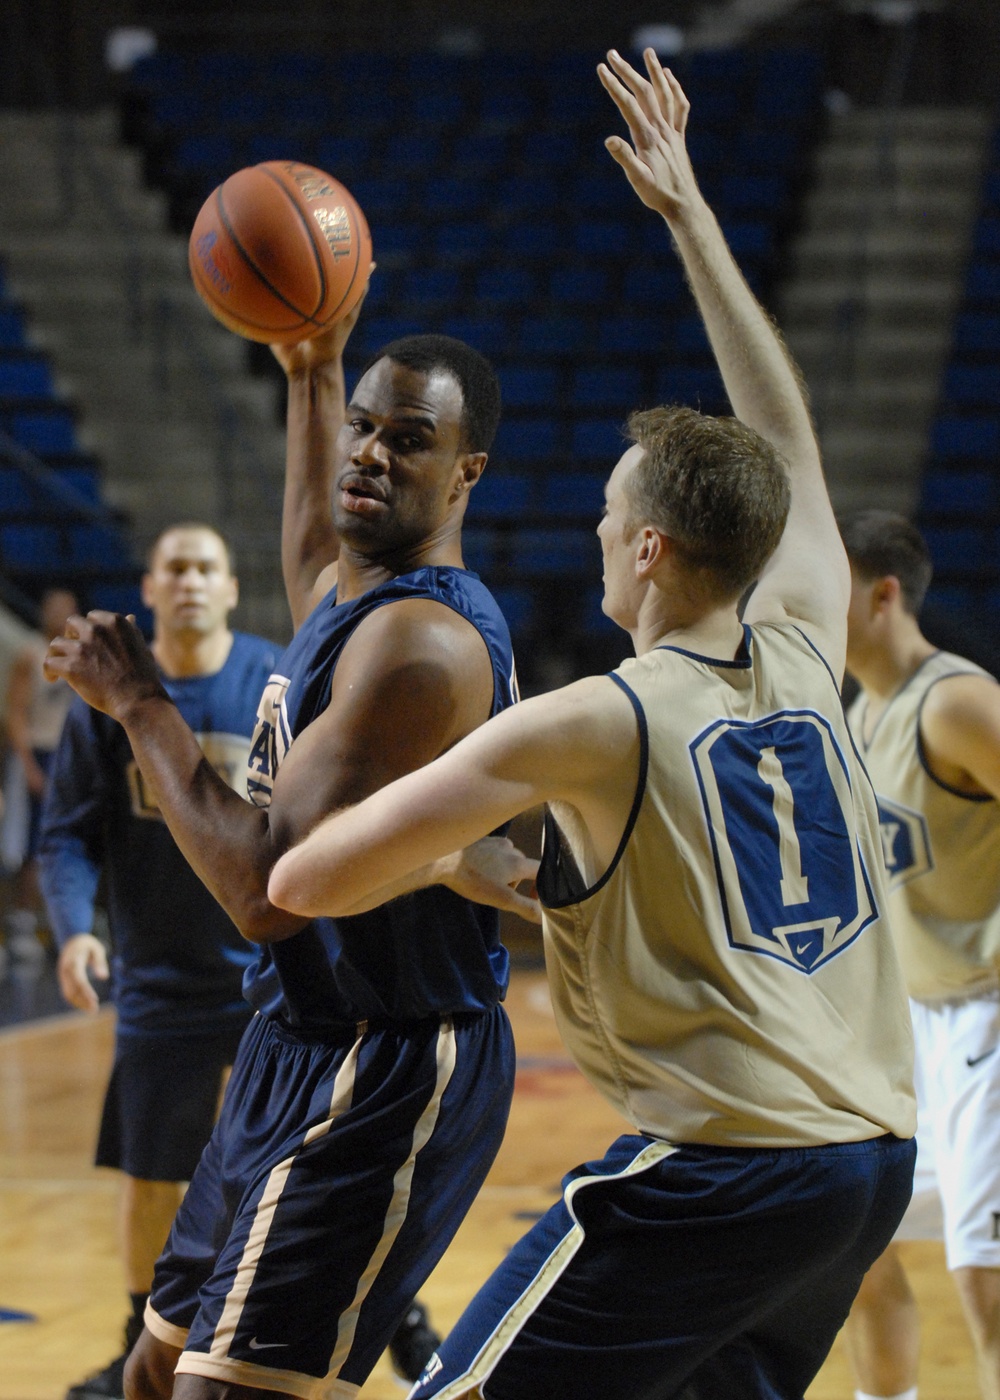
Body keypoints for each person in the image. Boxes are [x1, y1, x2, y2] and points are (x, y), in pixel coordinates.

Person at [265, 50, 918, 1400]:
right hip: (867, 1167)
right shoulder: (805, 638)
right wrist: (692, 219)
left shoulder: (586, 721)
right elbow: (783, 441)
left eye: (613, 514)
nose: (598, 530)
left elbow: (306, 876)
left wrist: (433, 847)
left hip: (718, 1172)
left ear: (653, 550)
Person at [43, 297, 538, 1394]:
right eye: (364, 424)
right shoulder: (345, 593)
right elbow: (313, 537)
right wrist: (313, 365)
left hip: (388, 1059)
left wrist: (139, 704)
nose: (369, 451)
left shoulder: (420, 644)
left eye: (408, 438)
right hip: (294, 1035)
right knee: (153, 1372)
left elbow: (269, 893)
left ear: (467, 472)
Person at [38, 526, 277, 1400]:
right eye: (174, 567)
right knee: (150, 1175)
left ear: (231, 587)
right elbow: (64, 834)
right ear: (150, 585)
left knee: (272, 1172)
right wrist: (74, 929)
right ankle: (139, 1341)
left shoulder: (272, 680)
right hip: (159, 982)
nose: (189, 582)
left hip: (267, 979)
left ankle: (260, 1337)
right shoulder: (108, 696)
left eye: (206, 567)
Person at [838, 510, 1000, 1400]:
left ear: (884, 593)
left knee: (987, 1278)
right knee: (863, 1243)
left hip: (990, 1014)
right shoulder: (862, 718)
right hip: (921, 1028)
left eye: (832, 583)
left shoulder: (957, 701)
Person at [3, 585, 78, 964]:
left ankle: (65, 925)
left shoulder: (80, 657)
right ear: (44, 612)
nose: (63, 615)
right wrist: (28, 764)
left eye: (69, 609)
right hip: (37, 754)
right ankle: (23, 923)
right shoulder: (30, 655)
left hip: (69, 756)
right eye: (56, 608)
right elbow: (14, 714)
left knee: (67, 841)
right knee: (30, 843)